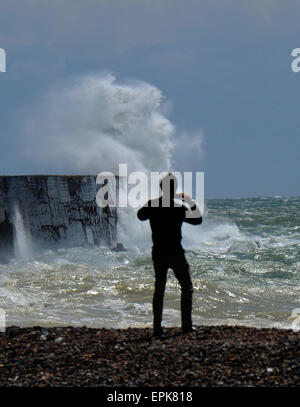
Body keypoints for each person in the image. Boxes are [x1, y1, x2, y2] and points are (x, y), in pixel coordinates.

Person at [137, 173, 202, 336]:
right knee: (186, 287)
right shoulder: (179, 208)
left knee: (159, 289)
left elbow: (140, 216)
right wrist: (190, 201)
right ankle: (187, 325)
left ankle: (157, 328)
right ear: (174, 189)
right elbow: (198, 220)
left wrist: (153, 205)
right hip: (175, 252)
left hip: (158, 252)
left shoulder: (153, 205)